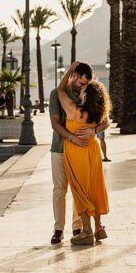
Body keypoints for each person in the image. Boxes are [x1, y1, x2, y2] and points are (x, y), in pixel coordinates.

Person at [49, 62, 108, 246]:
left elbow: (106, 122)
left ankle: (82, 228)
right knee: (65, 188)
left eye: (86, 85)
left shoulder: (80, 102)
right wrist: (74, 137)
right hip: (64, 148)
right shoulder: (61, 96)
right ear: (75, 76)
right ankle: (61, 229)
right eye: (82, 83)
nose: (84, 87)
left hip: (77, 151)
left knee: (80, 189)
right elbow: (55, 124)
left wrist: (94, 131)